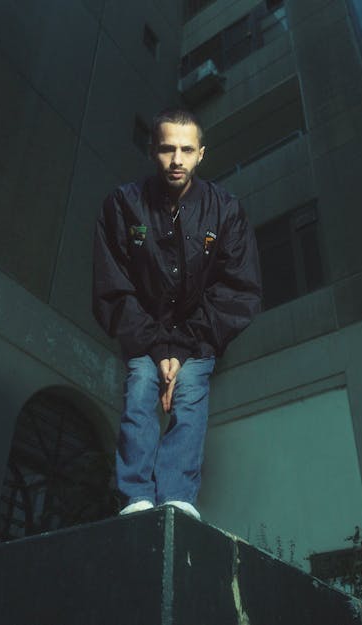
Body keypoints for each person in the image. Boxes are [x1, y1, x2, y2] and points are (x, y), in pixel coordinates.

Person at [92, 108, 261, 519]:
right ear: (153, 151)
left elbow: (237, 289)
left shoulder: (226, 210)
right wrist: (155, 346)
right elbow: (112, 283)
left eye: (187, 150)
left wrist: (183, 349)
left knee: (189, 397)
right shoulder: (123, 204)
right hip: (141, 333)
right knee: (141, 391)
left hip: (199, 335)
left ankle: (177, 497)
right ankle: (136, 498)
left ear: (201, 154)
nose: (177, 160)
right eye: (168, 149)